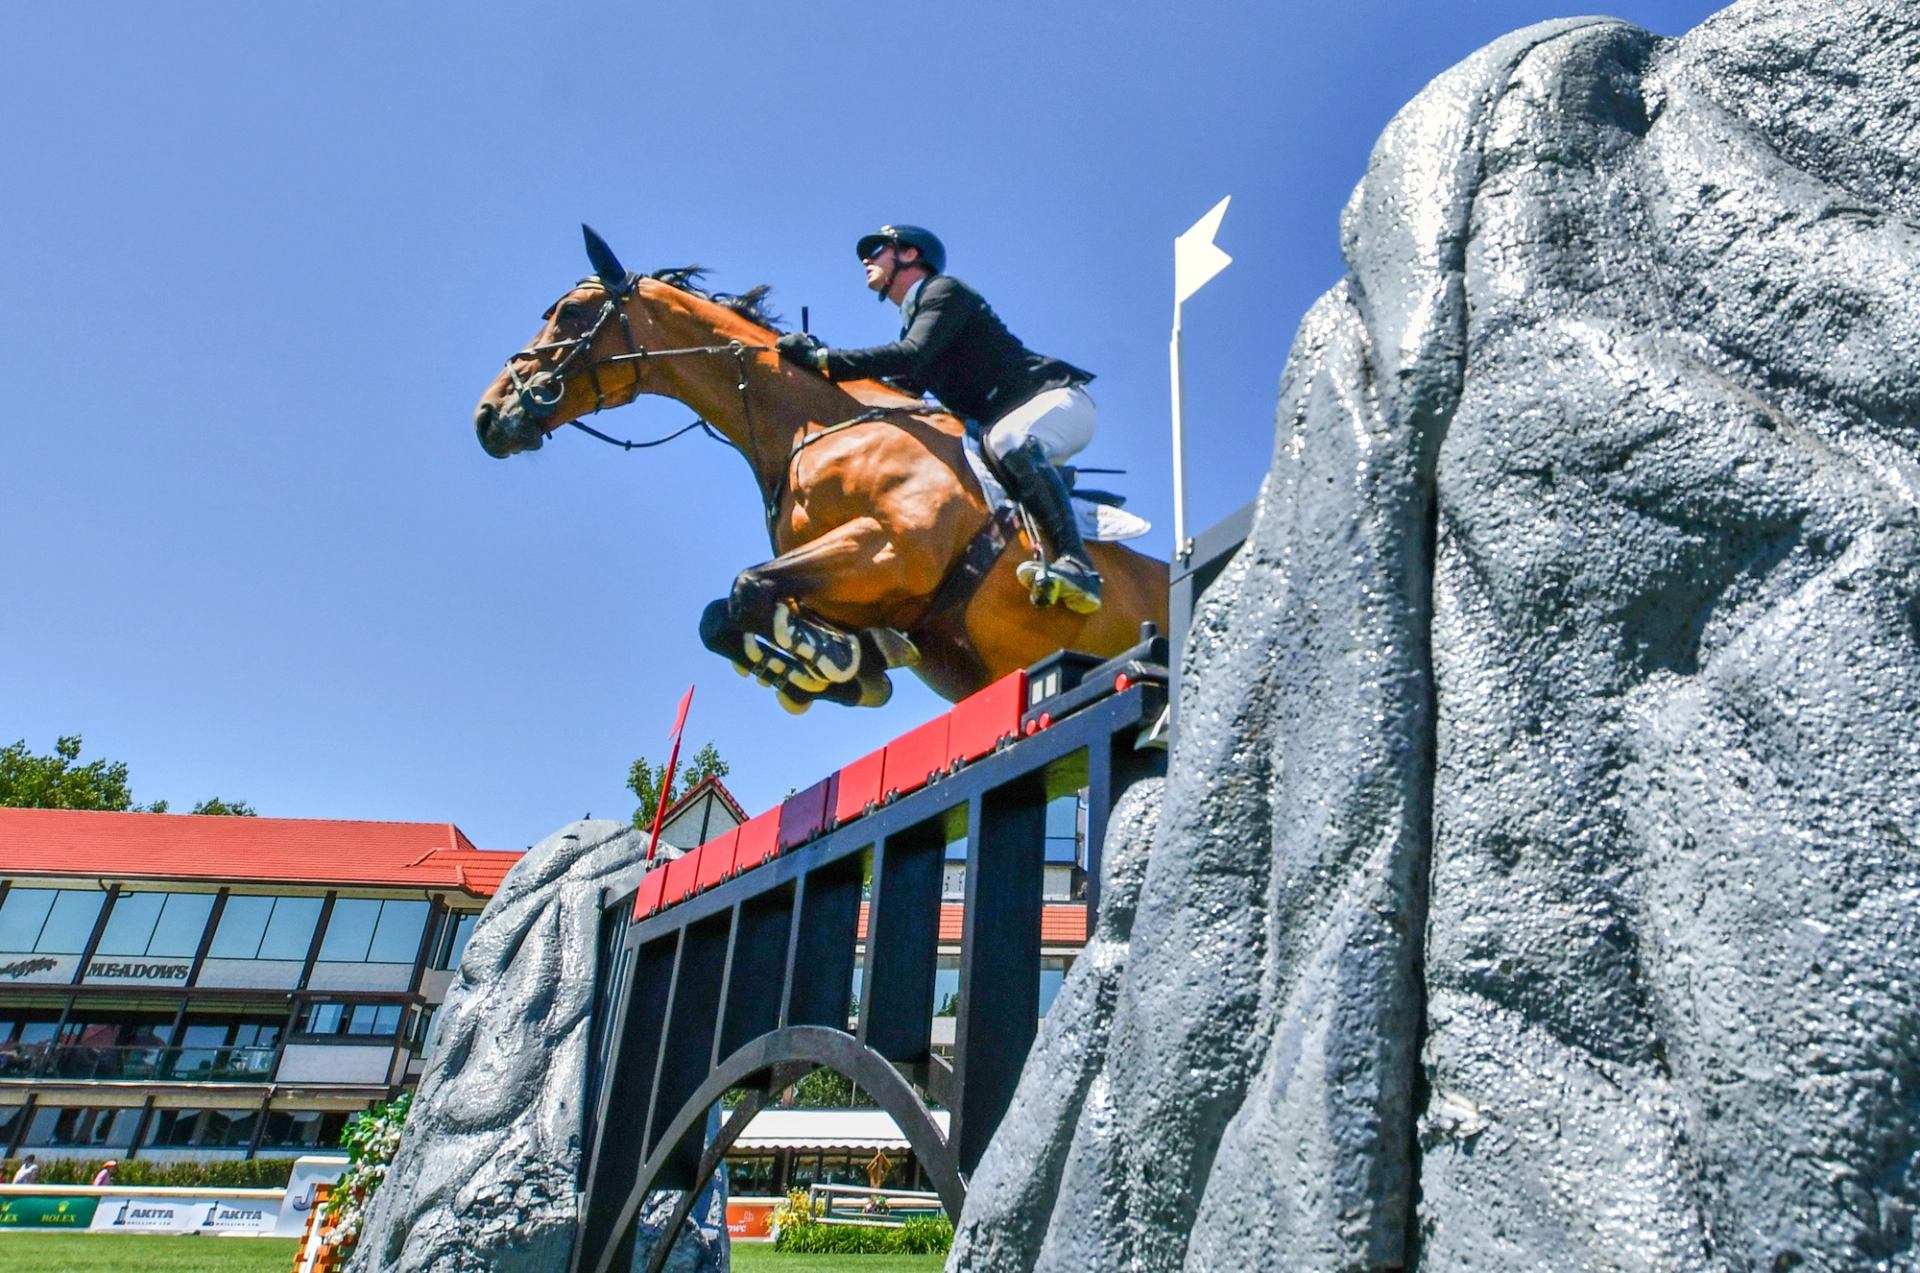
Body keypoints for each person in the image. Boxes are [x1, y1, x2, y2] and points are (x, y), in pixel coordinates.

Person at [776, 224, 1105, 614]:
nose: (867, 259)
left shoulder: (945, 291)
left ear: (910, 254)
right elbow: (897, 390)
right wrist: (813, 372)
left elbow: (909, 355)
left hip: (1057, 400)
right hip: (1001, 423)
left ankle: (1079, 565)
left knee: (1008, 440)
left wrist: (825, 359)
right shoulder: (918, 316)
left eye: (878, 249)